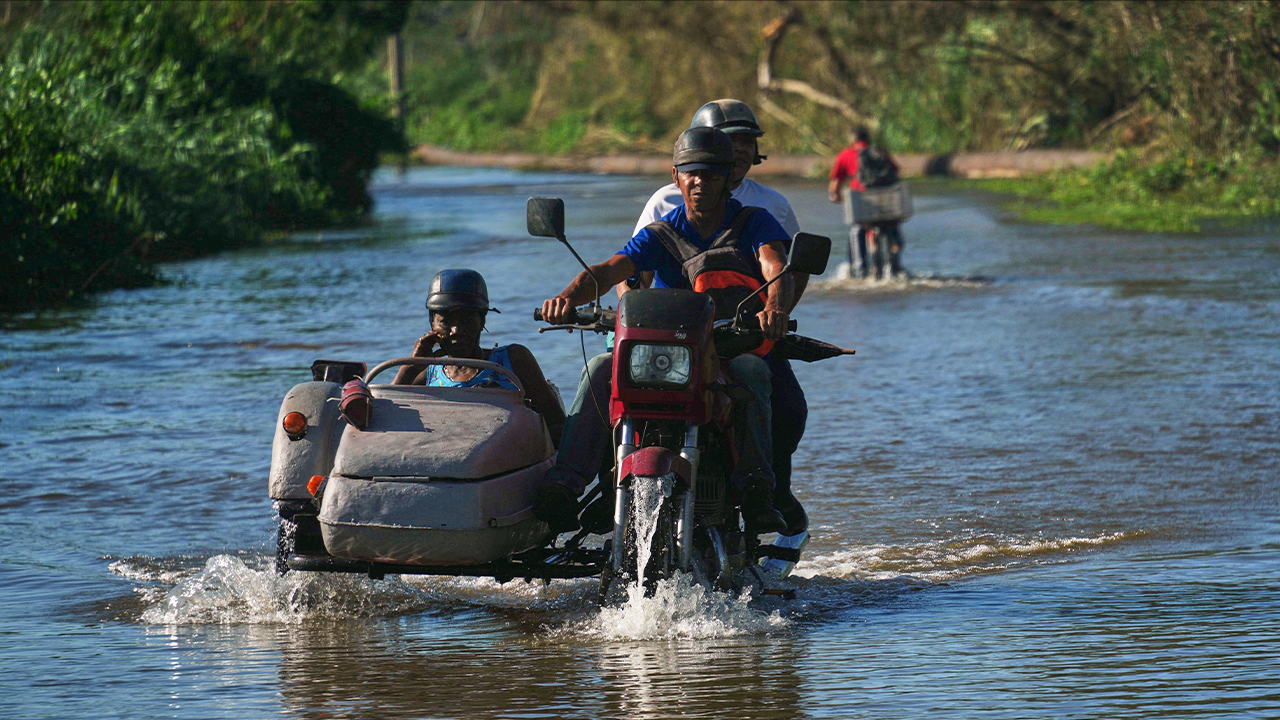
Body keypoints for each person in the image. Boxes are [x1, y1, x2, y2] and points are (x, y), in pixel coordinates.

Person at [535, 126, 792, 534]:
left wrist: (775, 307)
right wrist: (566, 299)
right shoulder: (662, 233)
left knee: (754, 373)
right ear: (676, 178)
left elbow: (773, 264)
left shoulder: (752, 222)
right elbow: (608, 270)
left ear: (728, 178)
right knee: (600, 367)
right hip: (668, 353)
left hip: (725, 348)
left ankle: (757, 490)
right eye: (690, 172)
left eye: (709, 173)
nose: (699, 181)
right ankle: (566, 485)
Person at [627, 99, 810, 535]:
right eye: (731, 142)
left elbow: (789, 268)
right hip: (671, 342)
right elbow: (634, 269)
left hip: (743, 334)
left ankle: (770, 490)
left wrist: (775, 315)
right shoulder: (664, 202)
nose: (740, 151)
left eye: (747, 142)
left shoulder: (769, 205)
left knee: (786, 407)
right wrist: (627, 317)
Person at [394, 268, 565, 446]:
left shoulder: (511, 362)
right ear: (432, 322)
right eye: (445, 321)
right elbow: (384, 416)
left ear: (482, 320)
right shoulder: (429, 375)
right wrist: (411, 365)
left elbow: (558, 426)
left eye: (466, 320)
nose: (456, 331)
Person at [828, 126, 904, 278]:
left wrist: (837, 198)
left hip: (862, 203)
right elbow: (896, 173)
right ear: (868, 139)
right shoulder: (881, 152)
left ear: (852, 140)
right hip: (887, 202)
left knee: (857, 229)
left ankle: (859, 268)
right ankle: (895, 263)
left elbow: (835, 187)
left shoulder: (845, 155)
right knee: (891, 225)